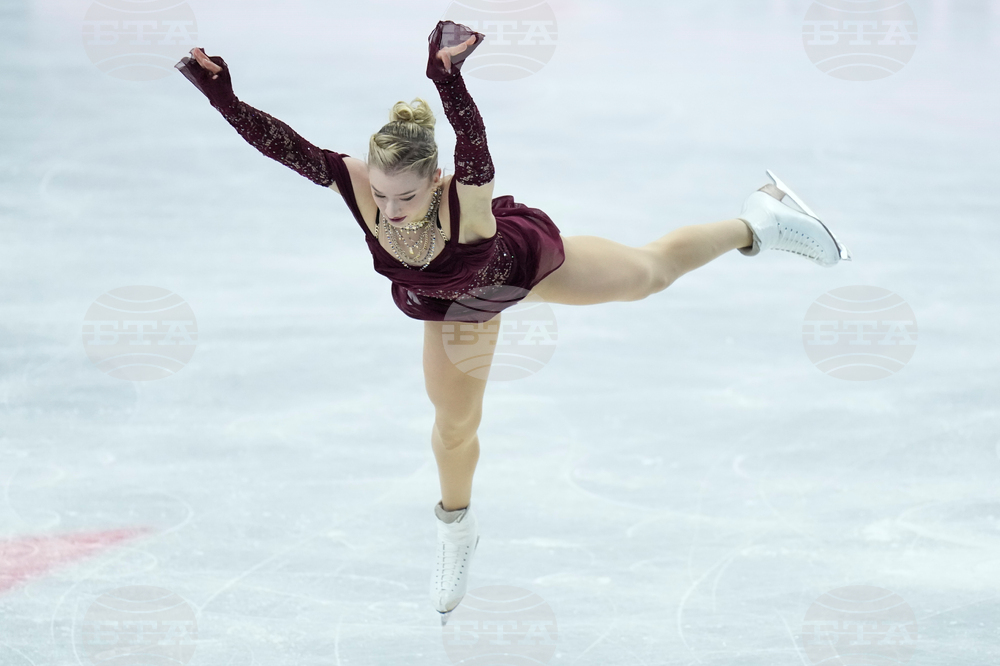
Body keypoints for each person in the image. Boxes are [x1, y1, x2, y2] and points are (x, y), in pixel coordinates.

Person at [175, 19, 852, 625]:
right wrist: (224, 100)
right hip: (457, 307)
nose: (391, 209)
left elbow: (473, 141)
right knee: (453, 424)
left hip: (518, 264)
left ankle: (757, 220)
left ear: (435, 179)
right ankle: (455, 530)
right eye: (380, 195)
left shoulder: (465, 199)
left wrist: (447, 79)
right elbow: (284, 146)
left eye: (406, 196)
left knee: (647, 276)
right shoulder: (359, 185)